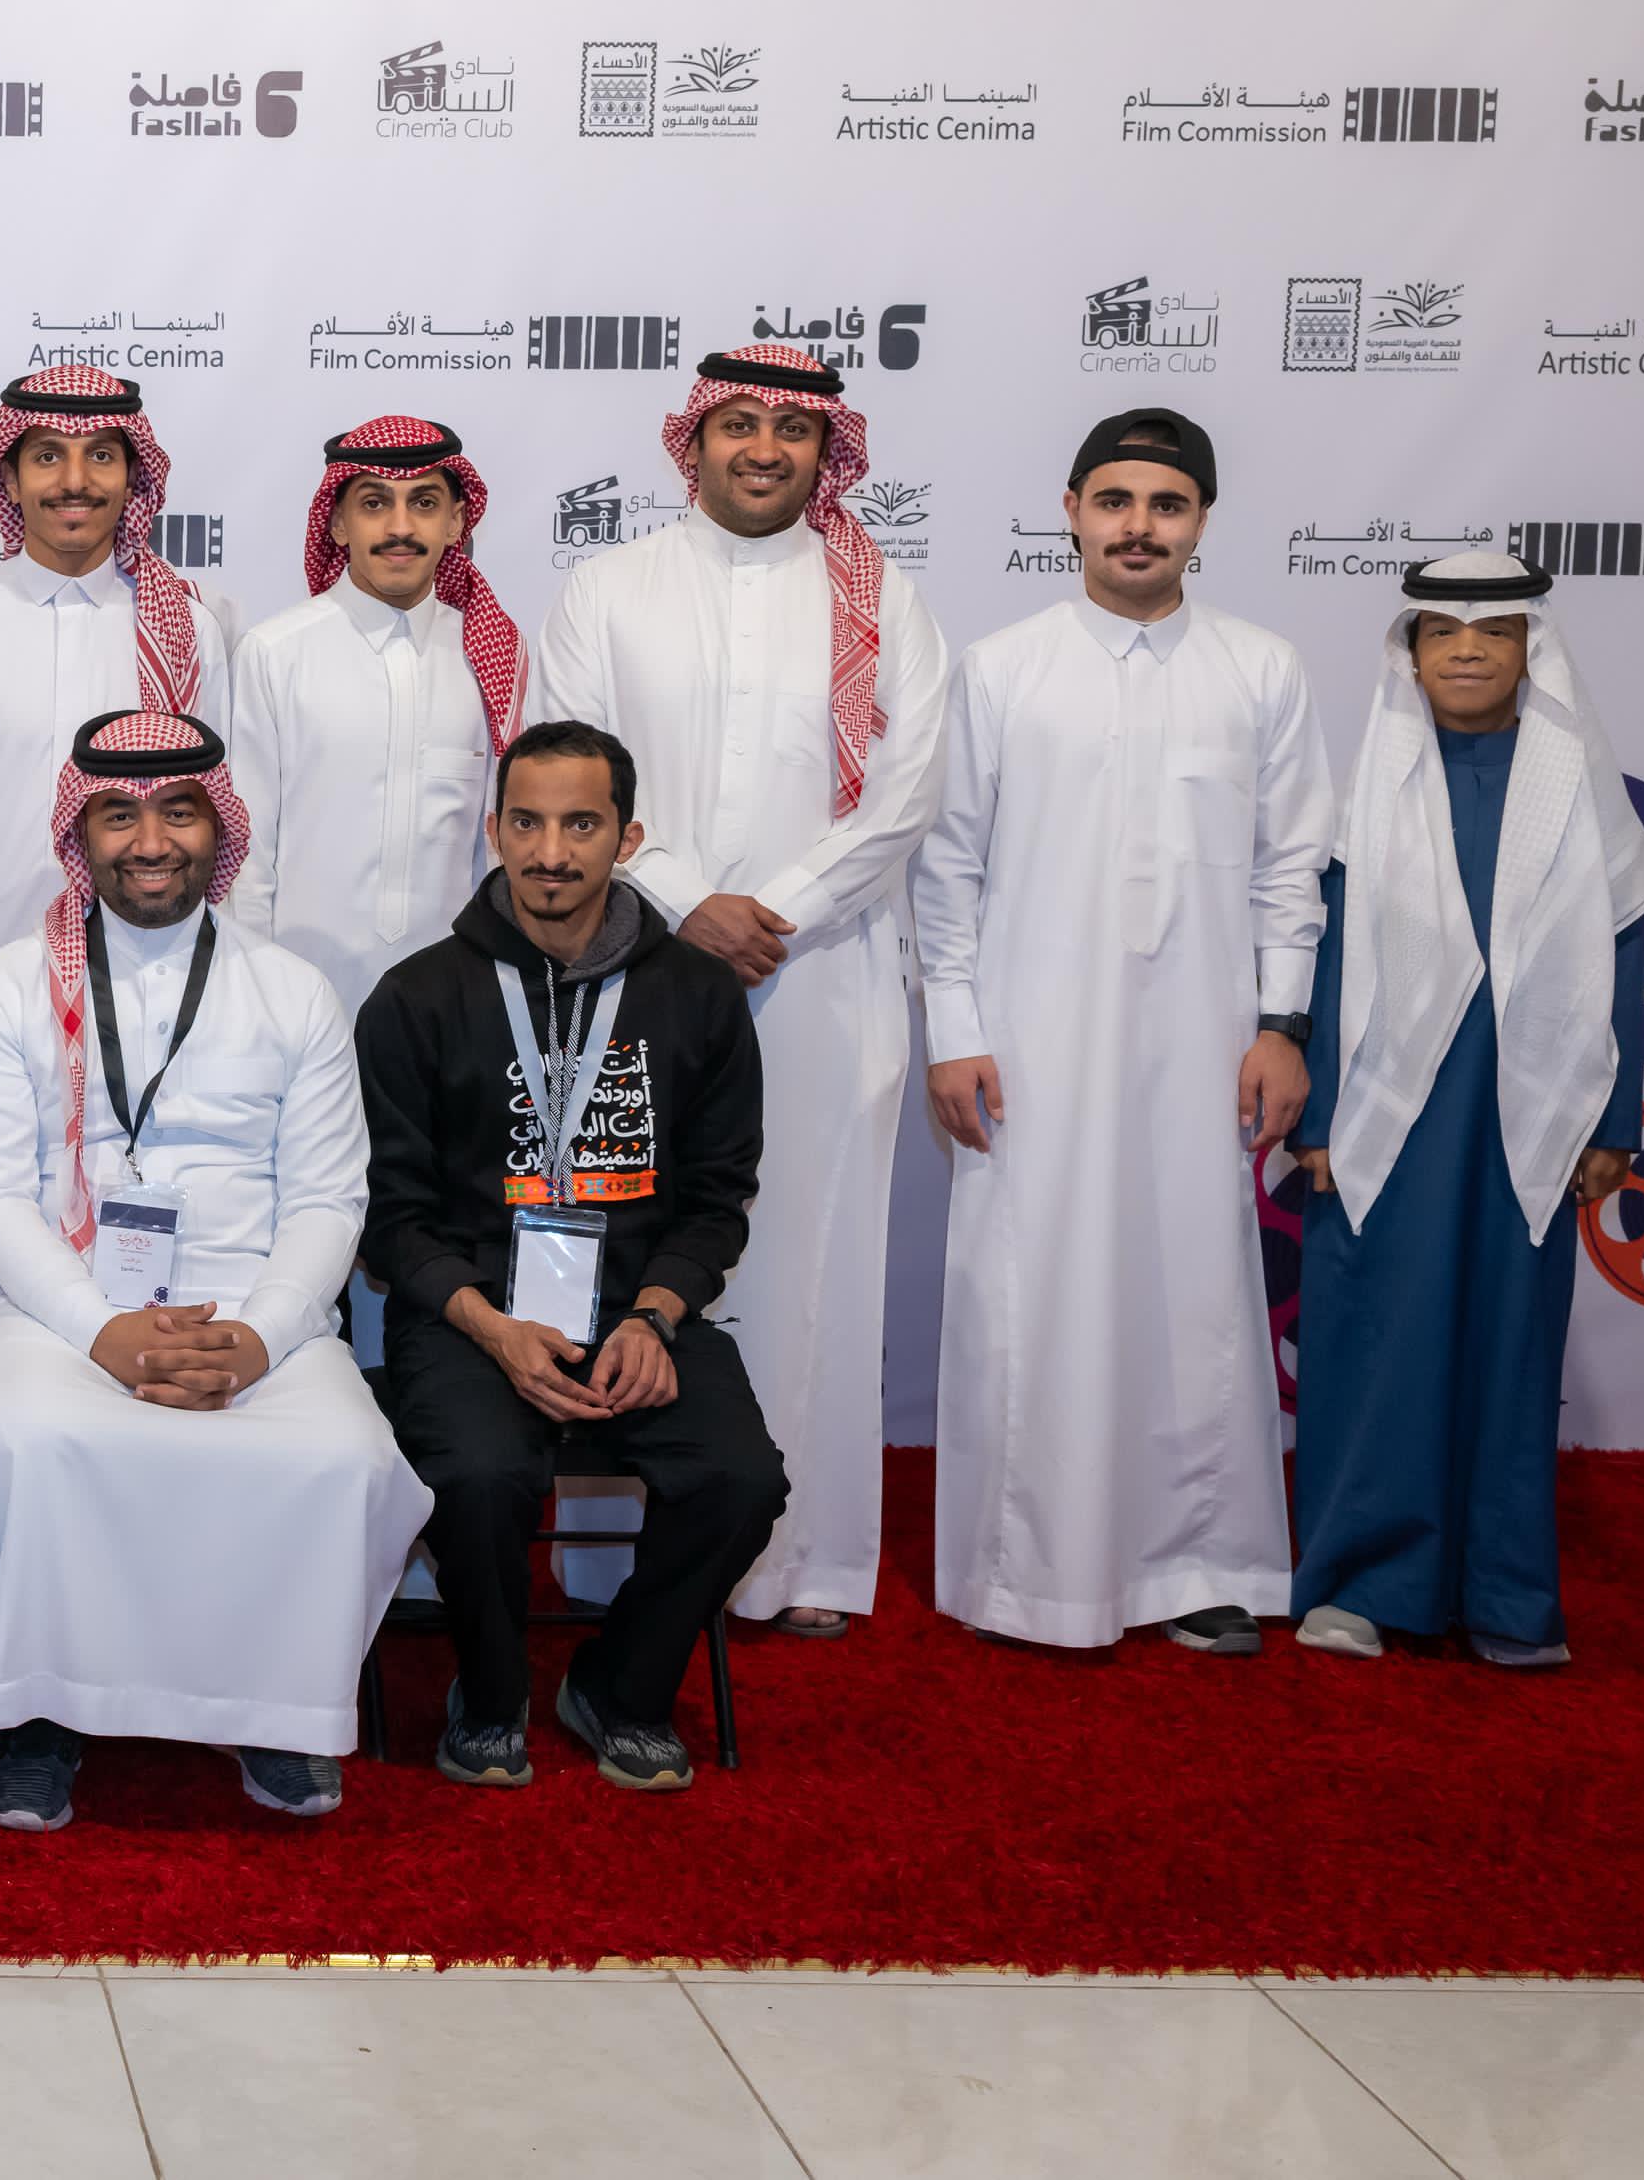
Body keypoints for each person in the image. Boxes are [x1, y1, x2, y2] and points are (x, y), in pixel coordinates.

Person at [524, 347, 945, 1638]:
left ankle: (805, 1557)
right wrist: (687, 899)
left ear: (827, 451)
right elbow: (563, 769)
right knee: (629, 1237)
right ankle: (613, 1560)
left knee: (815, 1248)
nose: (764, 449)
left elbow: (908, 792)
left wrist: (780, 909)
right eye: (739, 424)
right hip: (628, 961)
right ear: (693, 439)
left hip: (823, 971)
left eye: (791, 430)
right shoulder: (609, 588)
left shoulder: (883, 598)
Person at [0, 711, 427, 1832]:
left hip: (251, 1300)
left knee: (344, 1454)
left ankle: (276, 1705)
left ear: (221, 827)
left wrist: (258, 1336)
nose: (149, 841)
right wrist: (101, 1330)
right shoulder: (12, 986)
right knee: (31, 1444)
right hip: (57, 1305)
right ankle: (38, 1715)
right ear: (80, 834)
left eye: (178, 810)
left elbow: (328, 1199)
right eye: (118, 814)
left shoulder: (293, 989)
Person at [915, 408, 1335, 1655]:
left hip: (1204, 1045)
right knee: (1030, 1288)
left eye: (1164, 503)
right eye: (1113, 500)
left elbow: (1290, 868)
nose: (1137, 526)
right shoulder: (1001, 668)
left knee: (1193, 1295)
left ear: (1200, 519)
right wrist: (951, 1028)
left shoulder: (1260, 669)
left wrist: (1280, 1024)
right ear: (1070, 510)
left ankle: (1198, 1564)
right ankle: (1025, 1572)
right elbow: (945, 867)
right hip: (1026, 1046)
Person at [355, 721, 788, 1794]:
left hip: (638, 1313)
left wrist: (654, 1314)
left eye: (581, 824)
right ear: (495, 830)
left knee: (739, 1481)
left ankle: (618, 1685)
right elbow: (391, 1219)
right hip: (472, 1317)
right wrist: (493, 1329)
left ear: (627, 837)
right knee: (479, 1473)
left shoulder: (698, 994)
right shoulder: (414, 998)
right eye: (528, 822)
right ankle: (490, 1692)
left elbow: (718, 1196)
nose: (551, 852)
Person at [1289, 553, 1644, 1668]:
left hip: (1529, 1109)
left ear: (1530, 650)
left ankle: (1504, 1595)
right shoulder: (1366, 788)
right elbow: (1326, 958)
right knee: (1381, 1333)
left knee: (1509, 1341)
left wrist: (1614, 1119)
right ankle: (1359, 1584)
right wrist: (1318, 1118)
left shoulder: (1579, 789)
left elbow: (1622, 951)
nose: (1465, 649)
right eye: (1441, 631)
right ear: (1408, 652)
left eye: (1494, 631)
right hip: (1385, 1112)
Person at [0, 366, 236, 1000]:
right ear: (10, 480)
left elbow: (211, 815)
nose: (75, 481)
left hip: (142, 988)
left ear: (133, 478)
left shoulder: (183, 630)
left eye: (101, 456)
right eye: (47, 457)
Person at [230, 415, 518, 1019]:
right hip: (297, 995)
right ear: (338, 523)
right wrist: (254, 991)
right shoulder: (275, 652)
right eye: (374, 503)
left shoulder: (491, 654)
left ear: (456, 522)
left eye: (424, 503)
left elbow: (497, 849)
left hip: (454, 1002)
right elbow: (247, 853)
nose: (400, 527)